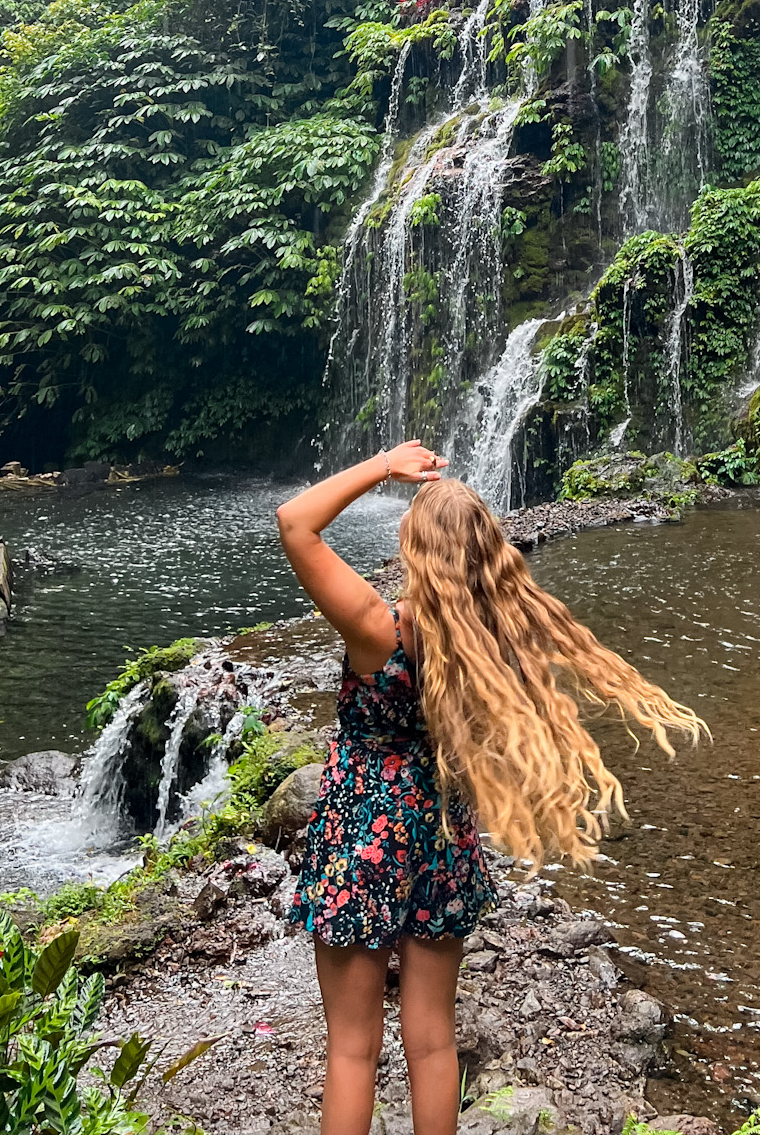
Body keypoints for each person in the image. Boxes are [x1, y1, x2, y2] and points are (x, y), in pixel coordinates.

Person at [276, 440, 705, 1135]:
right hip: (442, 835)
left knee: (353, 1048)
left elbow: (296, 520)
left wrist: (385, 466)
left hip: (361, 835)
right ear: (487, 556)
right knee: (434, 1041)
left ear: (414, 547)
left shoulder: (376, 631)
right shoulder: (486, 645)